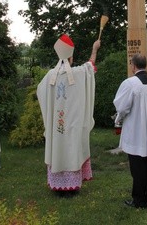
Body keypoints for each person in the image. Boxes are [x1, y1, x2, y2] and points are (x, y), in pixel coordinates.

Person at [37, 35, 101, 196]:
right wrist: (94, 49)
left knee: (59, 148)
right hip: (72, 123)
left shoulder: (49, 76)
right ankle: (72, 186)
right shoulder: (78, 73)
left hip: (56, 125)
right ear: (71, 57)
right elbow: (90, 67)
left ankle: (58, 186)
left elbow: (40, 92)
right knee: (72, 149)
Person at [113, 53, 147, 209]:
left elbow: (121, 107)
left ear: (133, 66)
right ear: (145, 65)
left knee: (138, 168)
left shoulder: (130, 83)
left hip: (137, 130)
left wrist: (118, 119)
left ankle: (139, 199)